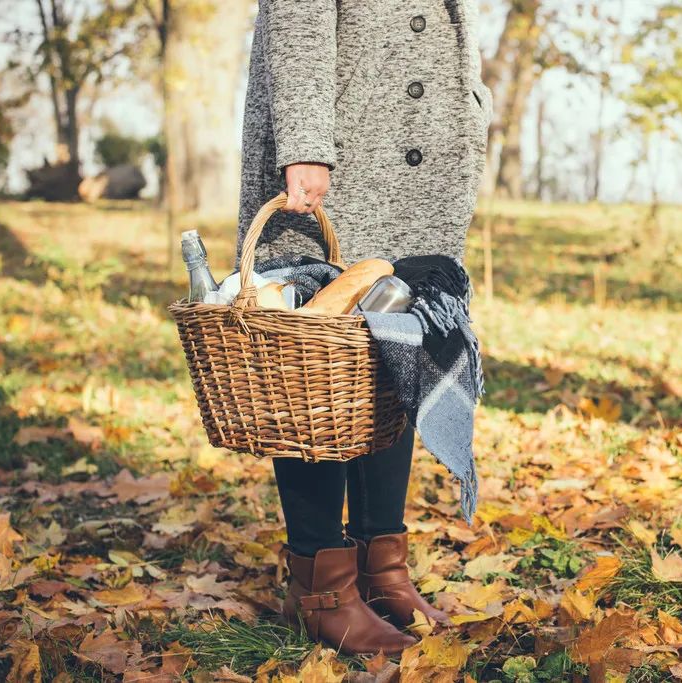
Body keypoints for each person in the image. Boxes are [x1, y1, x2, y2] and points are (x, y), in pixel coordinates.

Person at [236, 0, 492, 656]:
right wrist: (304, 144)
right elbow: (297, 15)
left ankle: (381, 571)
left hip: (418, 158)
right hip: (344, 148)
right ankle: (319, 588)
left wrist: (471, 112)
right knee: (311, 357)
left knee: (397, 341)